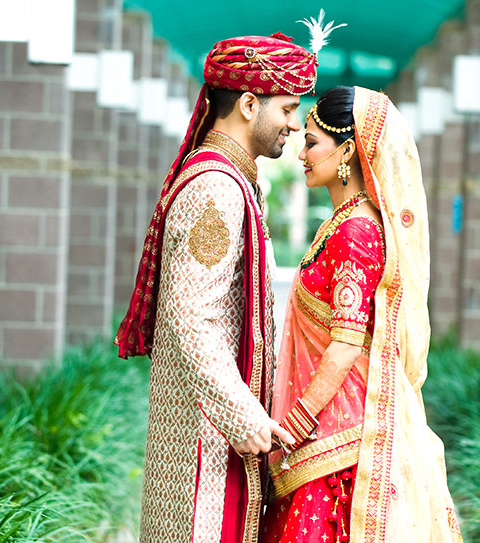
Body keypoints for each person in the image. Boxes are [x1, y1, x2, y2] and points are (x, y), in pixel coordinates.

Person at [115, 33, 319, 543]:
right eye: (290, 109)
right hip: (205, 445)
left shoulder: (231, 179)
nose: (295, 126)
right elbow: (192, 316)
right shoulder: (215, 188)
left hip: (212, 435)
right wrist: (243, 414)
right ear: (250, 105)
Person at [261, 86, 464, 543]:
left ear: (348, 150)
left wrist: (296, 423)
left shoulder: (356, 231)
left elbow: (346, 344)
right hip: (329, 435)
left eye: (311, 142)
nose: (301, 155)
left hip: (339, 446)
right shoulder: (345, 222)